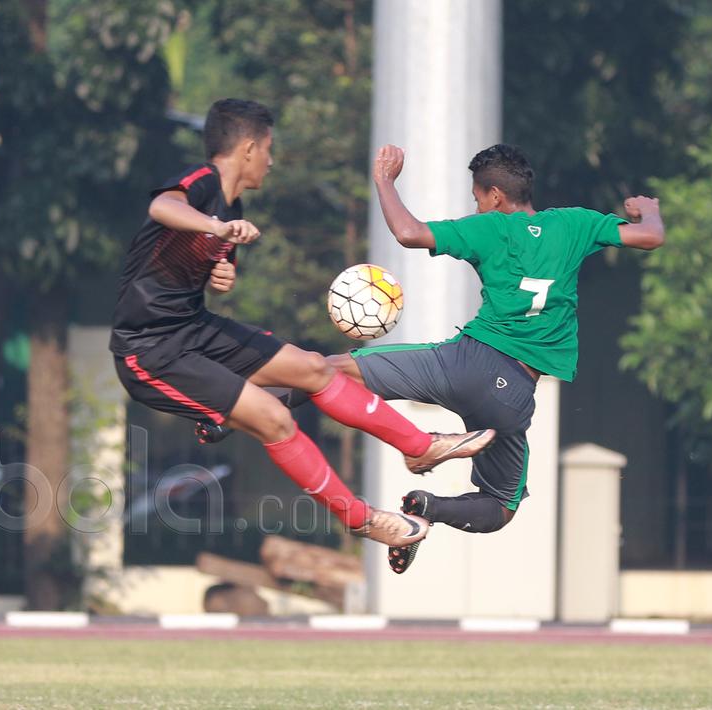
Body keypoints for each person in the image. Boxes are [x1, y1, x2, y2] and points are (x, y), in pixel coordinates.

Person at [109, 98, 495, 550]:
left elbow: (210, 276)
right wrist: (214, 229)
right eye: (268, 151)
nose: (271, 163)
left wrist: (220, 273)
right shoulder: (203, 181)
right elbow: (163, 207)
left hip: (193, 328)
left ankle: (418, 445)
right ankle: (363, 519)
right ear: (249, 148)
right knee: (274, 418)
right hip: (150, 351)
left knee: (314, 368)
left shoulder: (230, 210)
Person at [337, 143, 665, 572]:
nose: (477, 205)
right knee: (500, 507)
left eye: (477, 197)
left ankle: (240, 402)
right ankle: (425, 508)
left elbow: (409, 233)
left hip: (466, 363)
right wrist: (649, 209)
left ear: (494, 196)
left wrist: (383, 180)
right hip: (511, 396)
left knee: (335, 370)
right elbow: (651, 237)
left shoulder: (489, 227)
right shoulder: (575, 224)